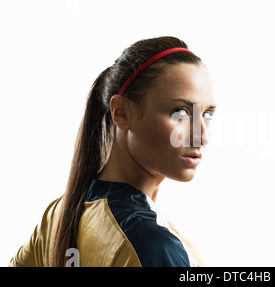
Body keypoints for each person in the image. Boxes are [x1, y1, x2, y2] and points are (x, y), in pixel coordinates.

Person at [9, 36, 216, 267]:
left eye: (207, 114)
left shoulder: (60, 214)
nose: (202, 136)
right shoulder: (153, 246)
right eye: (181, 112)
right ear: (121, 113)